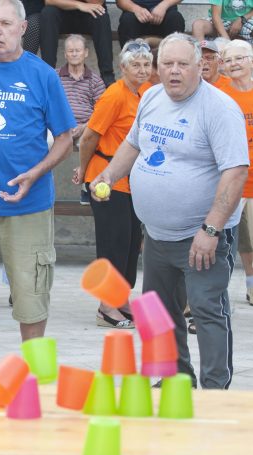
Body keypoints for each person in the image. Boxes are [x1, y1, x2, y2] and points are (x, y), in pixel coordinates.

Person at [91, 33, 248, 389]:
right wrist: (109, 173)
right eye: (167, 64)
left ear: (201, 67)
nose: (174, 72)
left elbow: (236, 171)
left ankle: (214, 388)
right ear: (157, 67)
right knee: (160, 312)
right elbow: (133, 144)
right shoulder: (151, 96)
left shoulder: (220, 109)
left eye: (183, 64)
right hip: (158, 234)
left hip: (202, 236)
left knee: (208, 312)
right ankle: (176, 379)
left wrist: (210, 230)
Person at [0, 0, 75, 383]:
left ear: (23, 27)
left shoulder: (43, 75)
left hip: (29, 206)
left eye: (5, 23)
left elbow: (65, 138)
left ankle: (34, 370)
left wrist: (35, 174)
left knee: (31, 292)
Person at [73, 38, 153, 328]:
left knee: (131, 243)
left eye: (146, 64)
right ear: (122, 68)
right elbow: (89, 137)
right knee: (113, 244)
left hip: (133, 180)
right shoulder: (113, 96)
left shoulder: (145, 93)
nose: (142, 70)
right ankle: (106, 307)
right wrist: (83, 172)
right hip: (106, 177)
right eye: (136, 65)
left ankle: (121, 299)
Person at [220, 40, 253, 305]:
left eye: (239, 58)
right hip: (230, 183)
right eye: (229, 60)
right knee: (229, 243)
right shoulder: (219, 93)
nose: (234, 64)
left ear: (251, 60)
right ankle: (220, 294)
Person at [40, 0, 115, 86]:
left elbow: (98, 2)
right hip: (62, 13)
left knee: (101, 15)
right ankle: (47, 74)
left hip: (89, 14)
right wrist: (79, 4)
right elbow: (49, 1)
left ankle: (107, 75)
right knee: (48, 13)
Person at [58, 34, 106, 148]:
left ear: (86, 53)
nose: (74, 54)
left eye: (78, 51)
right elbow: (47, 106)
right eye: (70, 51)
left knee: (92, 142)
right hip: (58, 128)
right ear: (65, 54)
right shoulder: (54, 77)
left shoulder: (95, 81)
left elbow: (102, 112)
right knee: (46, 140)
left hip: (85, 129)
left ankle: (84, 167)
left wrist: (84, 127)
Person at [116, 0, 185, 47]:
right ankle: (130, 62)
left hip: (165, 12)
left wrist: (163, 6)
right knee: (127, 21)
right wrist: (136, 9)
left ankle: (172, 61)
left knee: (176, 19)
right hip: (135, 13)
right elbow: (120, 1)